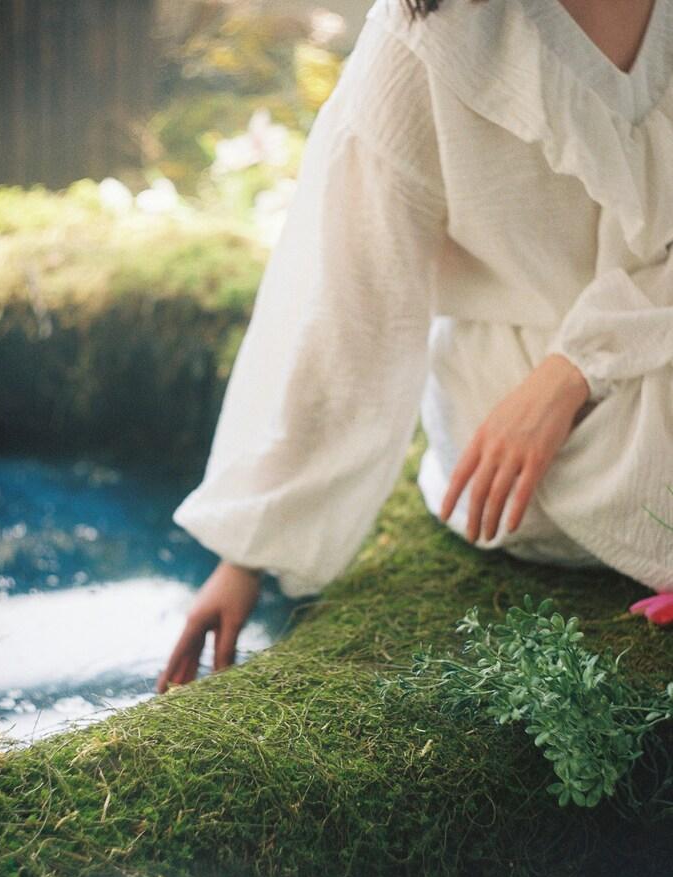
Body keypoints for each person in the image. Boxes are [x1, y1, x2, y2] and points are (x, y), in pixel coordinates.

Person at [157, 0, 673, 693]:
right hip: (534, 431)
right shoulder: (428, 38)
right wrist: (248, 555)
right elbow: (348, 304)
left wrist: (577, 366)